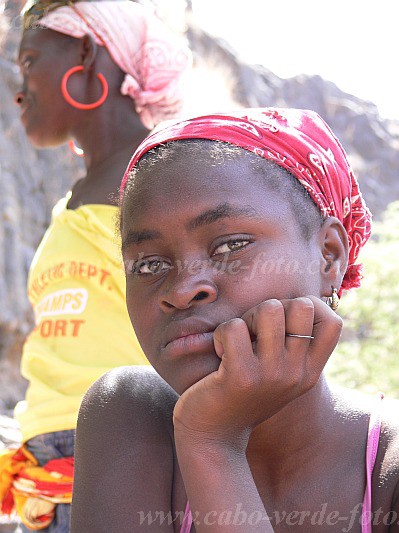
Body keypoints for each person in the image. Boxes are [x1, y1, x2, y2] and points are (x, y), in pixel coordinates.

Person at [71, 108, 399, 532]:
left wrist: (211, 444)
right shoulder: (132, 417)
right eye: (150, 265)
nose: (182, 289)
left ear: (329, 256)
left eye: (231, 245)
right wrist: (208, 439)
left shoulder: (386, 467)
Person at [0, 1, 191, 531]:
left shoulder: (163, 175)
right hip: (49, 468)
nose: (21, 89)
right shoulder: (78, 198)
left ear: (84, 54)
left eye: (30, 60)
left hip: (126, 454)